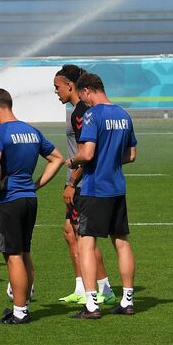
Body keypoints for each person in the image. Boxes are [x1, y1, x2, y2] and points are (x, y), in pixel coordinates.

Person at [0, 88, 64, 324]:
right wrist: (36, 184)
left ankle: (19, 312)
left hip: (9, 200)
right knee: (25, 252)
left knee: (13, 256)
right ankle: (24, 305)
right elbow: (57, 158)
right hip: (30, 198)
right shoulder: (32, 131)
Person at [71, 72, 138, 319]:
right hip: (117, 187)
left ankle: (91, 305)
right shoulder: (123, 114)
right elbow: (131, 155)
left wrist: (72, 160)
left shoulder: (92, 115)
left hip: (95, 187)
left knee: (86, 243)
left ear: (87, 90)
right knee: (121, 242)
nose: (84, 102)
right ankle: (128, 300)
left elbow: (87, 154)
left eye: (82, 97)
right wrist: (110, 160)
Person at [53, 65, 116, 306]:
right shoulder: (77, 110)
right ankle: (81, 286)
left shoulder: (81, 111)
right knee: (71, 232)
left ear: (70, 85)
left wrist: (71, 182)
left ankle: (104, 288)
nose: (56, 92)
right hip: (78, 180)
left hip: (81, 182)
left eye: (57, 87)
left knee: (84, 236)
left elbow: (85, 151)